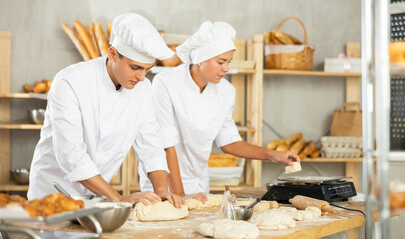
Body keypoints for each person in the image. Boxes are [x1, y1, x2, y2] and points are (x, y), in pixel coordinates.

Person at [28, 13, 184, 207]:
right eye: (135, 67)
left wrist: (161, 191)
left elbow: (151, 146)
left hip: (99, 194)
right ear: (112, 54)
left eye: (147, 70)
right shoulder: (70, 82)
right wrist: (118, 199)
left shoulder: (142, 89)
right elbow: (71, 154)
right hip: (55, 193)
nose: (142, 77)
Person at [140, 21, 300, 202]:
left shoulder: (226, 91)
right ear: (200, 58)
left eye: (228, 62)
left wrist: (275, 156)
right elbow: (166, 144)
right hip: (165, 185)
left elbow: (229, 142)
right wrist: (180, 194)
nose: (226, 68)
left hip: (198, 183)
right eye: (220, 62)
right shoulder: (166, 83)